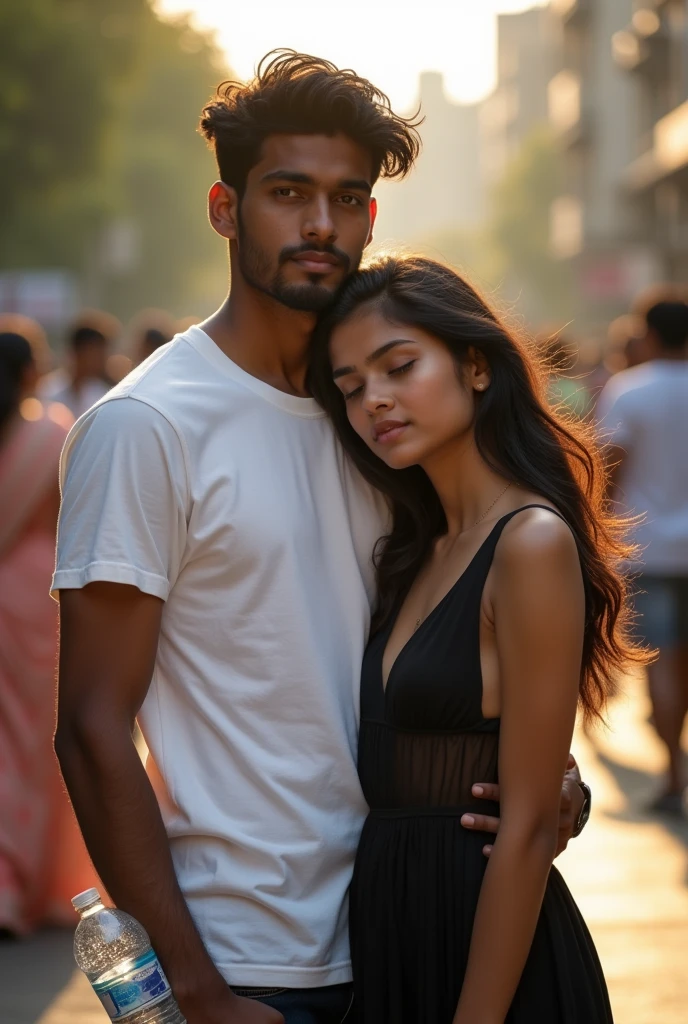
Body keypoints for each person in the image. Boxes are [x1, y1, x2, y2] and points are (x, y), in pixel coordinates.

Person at [54, 52, 590, 1024]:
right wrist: (197, 989)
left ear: (372, 219)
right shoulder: (148, 426)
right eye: (287, 193)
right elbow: (92, 727)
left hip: (419, 923)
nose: (319, 225)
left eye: (347, 199)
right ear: (225, 209)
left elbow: (464, 636)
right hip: (254, 959)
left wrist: (552, 772)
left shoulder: (383, 420)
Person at [309, 254, 645, 1022]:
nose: (375, 401)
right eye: (352, 386)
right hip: (394, 939)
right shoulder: (411, 545)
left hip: (490, 963)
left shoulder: (528, 543)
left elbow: (526, 825)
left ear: (476, 365)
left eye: (399, 366)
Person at [0, 333, 97, 935]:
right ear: (33, 372)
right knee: (38, 751)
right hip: (38, 605)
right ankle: (26, 886)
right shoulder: (53, 436)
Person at [597, 300, 688, 816]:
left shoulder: (629, 391)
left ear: (648, 333)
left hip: (649, 548)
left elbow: (610, 471)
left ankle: (674, 774)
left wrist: (598, 532)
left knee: (663, 661)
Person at [39, 310, 119, 418]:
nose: (103, 360)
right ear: (78, 352)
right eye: (96, 353)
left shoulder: (102, 394)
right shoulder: (47, 391)